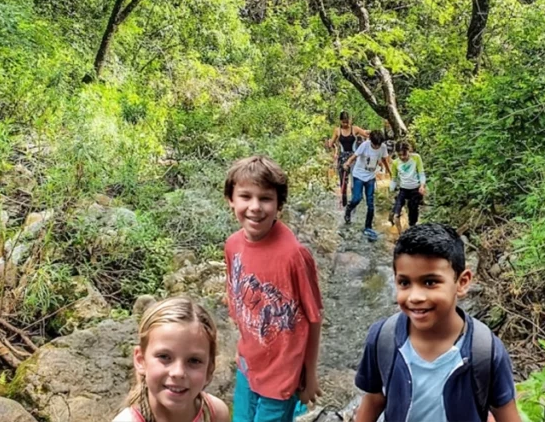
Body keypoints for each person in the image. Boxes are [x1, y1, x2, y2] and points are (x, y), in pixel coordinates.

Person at [353, 224, 522, 422]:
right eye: (404, 283)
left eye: (430, 282)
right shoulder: (383, 338)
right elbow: (374, 399)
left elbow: (507, 416)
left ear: (462, 282)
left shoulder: (485, 351)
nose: (415, 297)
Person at [223, 156, 324, 422]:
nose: (255, 207)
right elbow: (236, 298)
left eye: (265, 198)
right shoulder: (233, 245)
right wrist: (241, 346)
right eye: (245, 196)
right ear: (230, 199)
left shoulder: (294, 256)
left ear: (279, 204)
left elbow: (314, 318)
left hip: (282, 375)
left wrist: (309, 377)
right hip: (248, 364)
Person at [114, 296, 231, 422]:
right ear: (140, 360)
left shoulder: (215, 413)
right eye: (164, 357)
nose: (178, 372)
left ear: (210, 369)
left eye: (194, 360)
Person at [343, 130, 390, 240]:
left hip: (370, 177)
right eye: (375, 145)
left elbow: (384, 159)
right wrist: (347, 163)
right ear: (370, 141)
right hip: (359, 175)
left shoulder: (383, 147)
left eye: (379, 145)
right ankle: (349, 209)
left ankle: (368, 227)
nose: (377, 147)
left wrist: (389, 171)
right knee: (357, 198)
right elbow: (354, 156)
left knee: (370, 203)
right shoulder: (364, 145)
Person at [326, 111, 369, 207]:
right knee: (343, 184)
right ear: (340, 121)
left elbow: (367, 135)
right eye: (344, 122)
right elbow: (331, 143)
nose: (346, 124)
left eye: (347, 122)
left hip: (354, 158)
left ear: (350, 120)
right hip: (342, 159)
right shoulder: (337, 130)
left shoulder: (355, 129)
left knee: (354, 182)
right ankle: (344, 204)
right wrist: (334, 149)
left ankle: (354, 203)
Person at [388, 142, 426, 229]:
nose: (402, 157)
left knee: (413, 209)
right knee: (396, 212)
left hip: (415, 189)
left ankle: (412, 227)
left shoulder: (416, 157)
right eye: (399, 155)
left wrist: (422, 185)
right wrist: (391, 189)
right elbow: (394, 178)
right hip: (403, 189)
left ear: (409, 150)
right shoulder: (395, 163)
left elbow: (421, 173)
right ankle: (399, 233)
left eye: (404, 154)